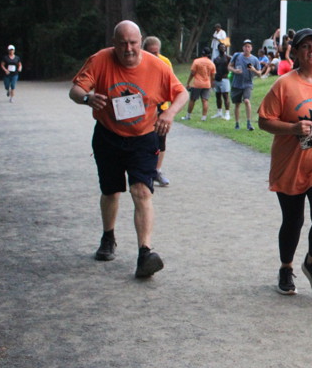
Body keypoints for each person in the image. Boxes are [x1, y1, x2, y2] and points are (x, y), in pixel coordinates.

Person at [69, 20, 188, 278]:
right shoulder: (100, 60)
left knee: (141, 191)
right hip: (108, 136)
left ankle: (145, 253)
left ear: (140, 42)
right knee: (111, 191)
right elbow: (75, 90)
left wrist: (169, 114)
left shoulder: (157, 66)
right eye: (122, 43)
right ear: (114, 43)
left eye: (133, 43)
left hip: (143, 138)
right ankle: (108, 237)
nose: (128, 49)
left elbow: (182, 93)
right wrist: (88, 98)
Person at [258, 28, 312, 296]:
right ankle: (286, 268)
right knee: (293, 221)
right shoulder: (284, 84)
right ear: (295, 52)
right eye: (305, 46)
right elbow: (264, 121)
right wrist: (293, 129)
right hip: (290, 163)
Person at [143, 36, 175, 187]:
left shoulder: (165, 62)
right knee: (144, 140)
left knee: (161, 139)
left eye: (156, 53)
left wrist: (170, 107)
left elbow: (171, 84)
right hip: (144, 108)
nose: (154, 56)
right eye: (151, 53)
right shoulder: (138, 62)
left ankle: (157, 171)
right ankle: (144, 170)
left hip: (162, 107)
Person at [229, 39, 262, 131]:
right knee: (237, 104)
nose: (247, 48)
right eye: (245, 46)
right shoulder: (237, 56)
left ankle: (249, 123)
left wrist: (253, 70)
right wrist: (235, 70)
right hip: (236, 83)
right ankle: (237, 124)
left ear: (251, 48)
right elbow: (229, 66)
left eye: (248, 46)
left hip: (248, 84)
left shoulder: (254, 59)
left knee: (247, 101)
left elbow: (259, 74)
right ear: (243, 47)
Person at [182, 46, 216, 122]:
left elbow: (192, 73)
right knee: (205, 100)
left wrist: (188, 82)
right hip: (206, 84)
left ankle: (188, 116)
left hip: (197, 84)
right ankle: (204, 117)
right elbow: (213, 76)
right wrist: (211, 85)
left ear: (202, 53)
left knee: (192, 100)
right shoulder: (211, 63)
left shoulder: (197, 61)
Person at [211, 44, 231, 120]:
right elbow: (214, 70)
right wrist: (213, 80)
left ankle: (227, 113)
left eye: (224, 48)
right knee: (218, 96)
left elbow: (232, 66)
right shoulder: (216, 59)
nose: (223, 49)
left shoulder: (228, 58)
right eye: (221, 48)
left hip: (225, 79)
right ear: (218, 49)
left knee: (225, 96)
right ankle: (219, 112)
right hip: (217, 79)